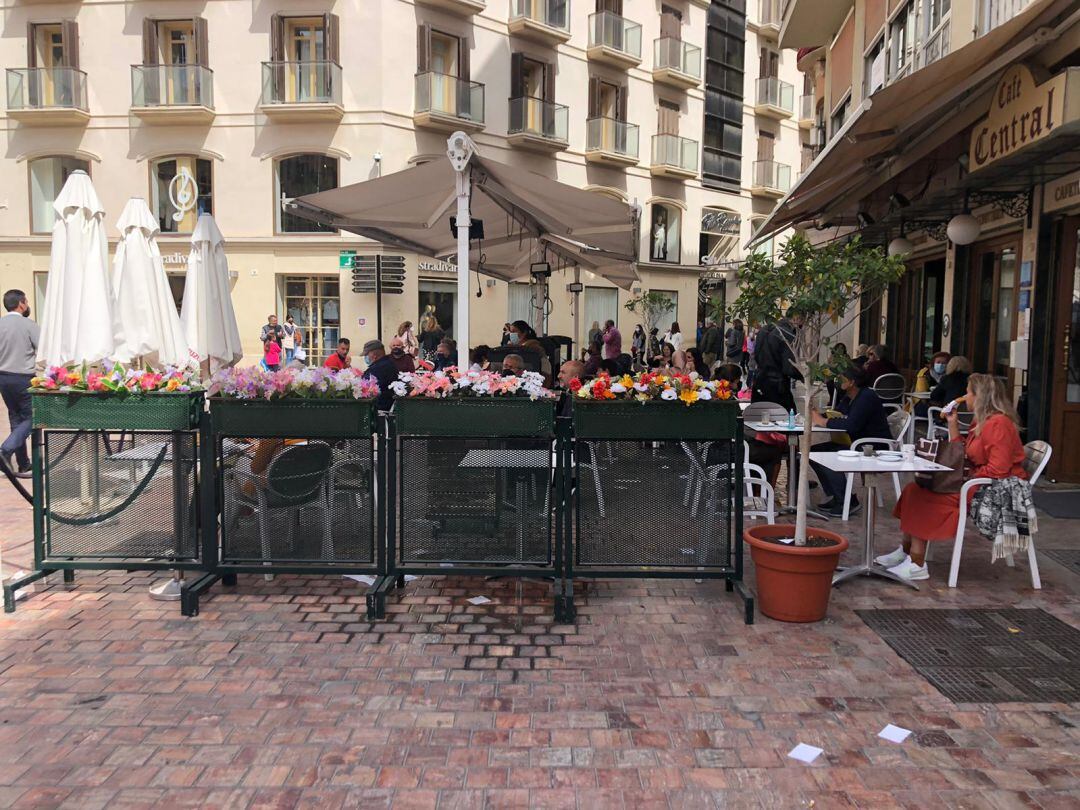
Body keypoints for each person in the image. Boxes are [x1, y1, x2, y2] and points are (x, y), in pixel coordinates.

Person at [884, 374, 1028, 581]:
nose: (965, 396)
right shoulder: (982, 421)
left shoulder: (998, 424)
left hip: (995, 490)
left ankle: (916, 563)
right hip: (978, 481)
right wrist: (952, 423)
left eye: (969, 392)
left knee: (926, 498)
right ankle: (906, 551)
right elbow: (964, 452)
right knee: (914, 489)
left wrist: (964, 476)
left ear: (981, 396)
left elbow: (999, 469)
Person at [809, 365, 892, 516]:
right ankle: (837, 495)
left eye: (841, 378)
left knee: (827, 456)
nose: (837, 381)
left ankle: (845, 501)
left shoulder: (867, 397)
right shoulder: (850, 397)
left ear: (852, 382)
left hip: (872, 447)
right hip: (857, 443)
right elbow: (838, 415)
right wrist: (818, 414)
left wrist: (822, 422)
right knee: (814, 452)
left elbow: (851, 425)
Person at [0, 289, 38, 477]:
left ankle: (23, 464)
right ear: (21, 304)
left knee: (16, 418)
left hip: (3, 378)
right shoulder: (28, 325)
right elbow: (42, 350)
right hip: (24, 378)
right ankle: (6, 449)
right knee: (33, 417)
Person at [752, 315, 798, 411]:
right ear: (796, 319)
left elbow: (755, 354)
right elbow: (788, 366)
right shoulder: (786, 333)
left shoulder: (764, 330)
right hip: (777, 384)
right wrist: (803, 376)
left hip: (760, 379)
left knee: (758, 416)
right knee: (785, 416)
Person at [360, 340, 399, 411]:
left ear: (374, 355)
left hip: (378, 409)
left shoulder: (377, 369)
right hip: (387, 407)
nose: (365, 357)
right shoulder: (389, 364)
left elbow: (365, 387)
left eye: (366, 354)